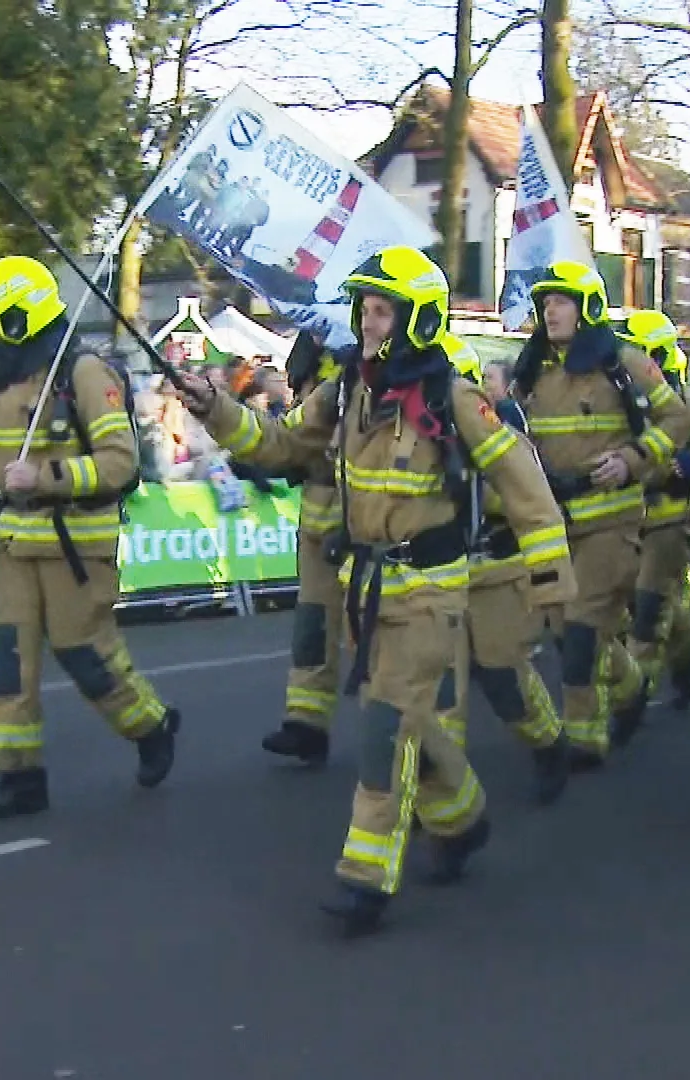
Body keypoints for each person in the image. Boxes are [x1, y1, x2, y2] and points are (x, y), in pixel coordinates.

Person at [173, 244, 575, 935]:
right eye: (365, 308)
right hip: (367, 585)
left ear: (416, 319)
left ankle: (367, 878)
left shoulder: (453, 396)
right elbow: (279, 445)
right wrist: (214, 409)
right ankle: (462, 818)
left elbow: (524, 483)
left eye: (382, 310)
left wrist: (547, 580)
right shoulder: (347, 390)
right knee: (409, 719)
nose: (367, 321)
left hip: (430, 590)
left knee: (386, 727)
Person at [0, 256, 182, 821]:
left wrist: (48, 478)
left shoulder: (84, 373)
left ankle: (151, 726)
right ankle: (18, 778)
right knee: (5, 662)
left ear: (22, 317)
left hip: (74, 548)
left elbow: (119, 464)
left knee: (87, 659)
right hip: (14, 544)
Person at [510, 262, 690, 770]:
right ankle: (631, 684)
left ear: (587, 307)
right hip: (552, 523)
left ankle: (584, 740)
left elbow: (675, 418)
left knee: (583, 627)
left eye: (561, 302)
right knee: (566, 630)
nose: (550, 312)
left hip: (610, 521)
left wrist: (632, 459)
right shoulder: (532, 370)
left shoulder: (624, 362)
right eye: (545, 304)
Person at [430, 331, 571, 804]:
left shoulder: (492, 432)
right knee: (438, 695)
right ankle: (446, 810)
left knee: (503, 679)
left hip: (493, 575)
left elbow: (524, 492)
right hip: (432, 584)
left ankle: (550, 744)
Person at [259, 330, 346, 764]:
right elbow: (301, 428)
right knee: (312, 625)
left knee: (383, 637)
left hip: (362, 515)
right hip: (317, 508)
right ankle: (306, 723)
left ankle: (412, 740)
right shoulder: (310, 357)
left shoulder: (361, 353)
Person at [621, 309, 690, 711]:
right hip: (621, 518)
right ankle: (689, 653)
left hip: (668, 519)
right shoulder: (615, 400)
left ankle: (634, 697)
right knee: (645, 608)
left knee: (648, 608)